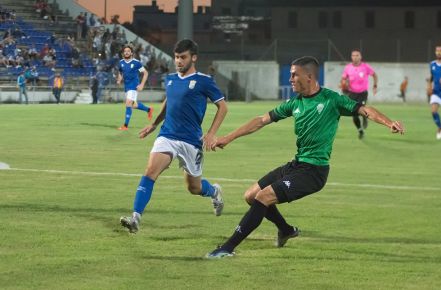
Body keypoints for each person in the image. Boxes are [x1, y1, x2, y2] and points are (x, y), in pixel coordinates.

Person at [206, 56, 404, 259]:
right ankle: (286, 230)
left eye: (294, 75)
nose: (290, 79)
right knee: (250, 196)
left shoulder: (331, 99)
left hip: (314, 171)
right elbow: (261, 120)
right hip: (297, 165)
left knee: (264, 197)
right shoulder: (295, 102)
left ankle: (227, 248)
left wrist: (389, 122)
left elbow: (365, 110)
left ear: (309, 77)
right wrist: (228, 138)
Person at [119, 39, 228, 234]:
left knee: (194, 188)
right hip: (167, 135)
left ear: (193, 58)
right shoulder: (170, 79)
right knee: (150, 171)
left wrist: (211, 133)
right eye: (176, 57)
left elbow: (223, 106)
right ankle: (135, 218)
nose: (178, 61)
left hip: (191, 141)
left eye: (183, 57)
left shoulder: (204, 81)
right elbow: (169, 102)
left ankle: (213, 191)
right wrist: (153, 125)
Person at [341, 49, 378, 139]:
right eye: (353, 55)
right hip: (352, 94)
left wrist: (375, 86)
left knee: (361, 110)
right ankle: (360, 130)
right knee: (354, 114)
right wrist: (344, 84)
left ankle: (365, 118)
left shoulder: (365, 67)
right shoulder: (348, 68)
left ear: (360, 57)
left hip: (363, 93)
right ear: (351, 57)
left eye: (357, 55)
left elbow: (374, 75)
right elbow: (343, 79)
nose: (355, 57)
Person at [116, 44, 153, 131]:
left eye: (128, 51)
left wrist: (142, 84)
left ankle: (125, 126)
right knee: (133, 105)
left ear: (131, 53)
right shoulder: (121, 63)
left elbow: (145, 73)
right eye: (125, 51)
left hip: (134, 86)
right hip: (127, 87)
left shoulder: (136, 63)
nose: (126, 52)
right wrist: (119, 80)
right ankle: (148, 109)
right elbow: (120, 72)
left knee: (128, 103)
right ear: (123, 53)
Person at [427, 45, 441, 140]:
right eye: (436, 51)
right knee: (433, 111)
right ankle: (440, 127)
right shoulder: (432, 64)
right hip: (436, 92)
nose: (438, 52)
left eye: (440, 51)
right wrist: (429, 87)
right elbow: (431, 77)